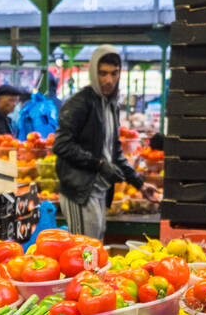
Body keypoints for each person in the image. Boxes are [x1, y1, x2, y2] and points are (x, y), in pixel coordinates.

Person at [52, 45, 161, 241]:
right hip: (79, 192)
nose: (109, 80)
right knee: (83, 251)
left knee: (94, 248)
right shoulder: (79, 103)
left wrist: (140, 184)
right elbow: (61, 145)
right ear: (94, 72)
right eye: (103, 73)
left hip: (98, 192)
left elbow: (115, 152)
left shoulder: (111, 106)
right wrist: (100, 165)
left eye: (114, 73)